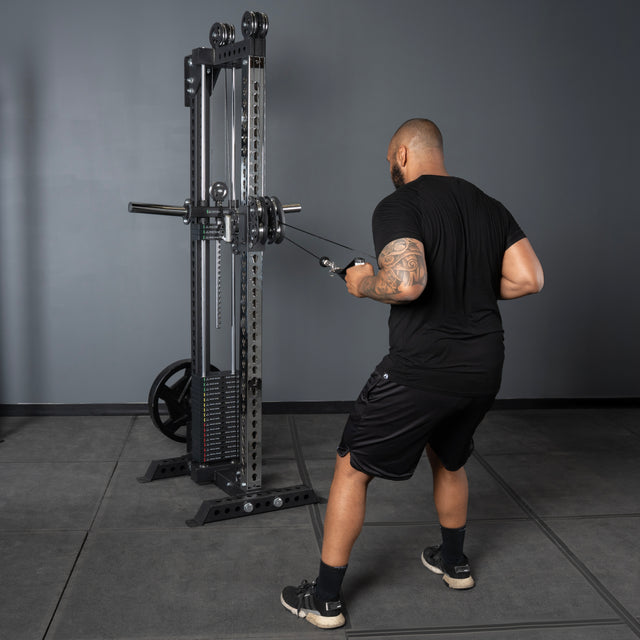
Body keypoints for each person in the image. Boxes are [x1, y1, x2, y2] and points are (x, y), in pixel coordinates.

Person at [281, 118, 544, 629]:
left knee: (351, 467)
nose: (389, 169)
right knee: (449, 458)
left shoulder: (399, 205)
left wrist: (360, 283)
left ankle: (326, 600)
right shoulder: (489, 205)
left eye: (388, 161)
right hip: (485, 366)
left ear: (402, 154)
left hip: (423, 369)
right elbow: (529, 278)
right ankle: (453, 562)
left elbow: (404, 285)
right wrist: (470, 287)